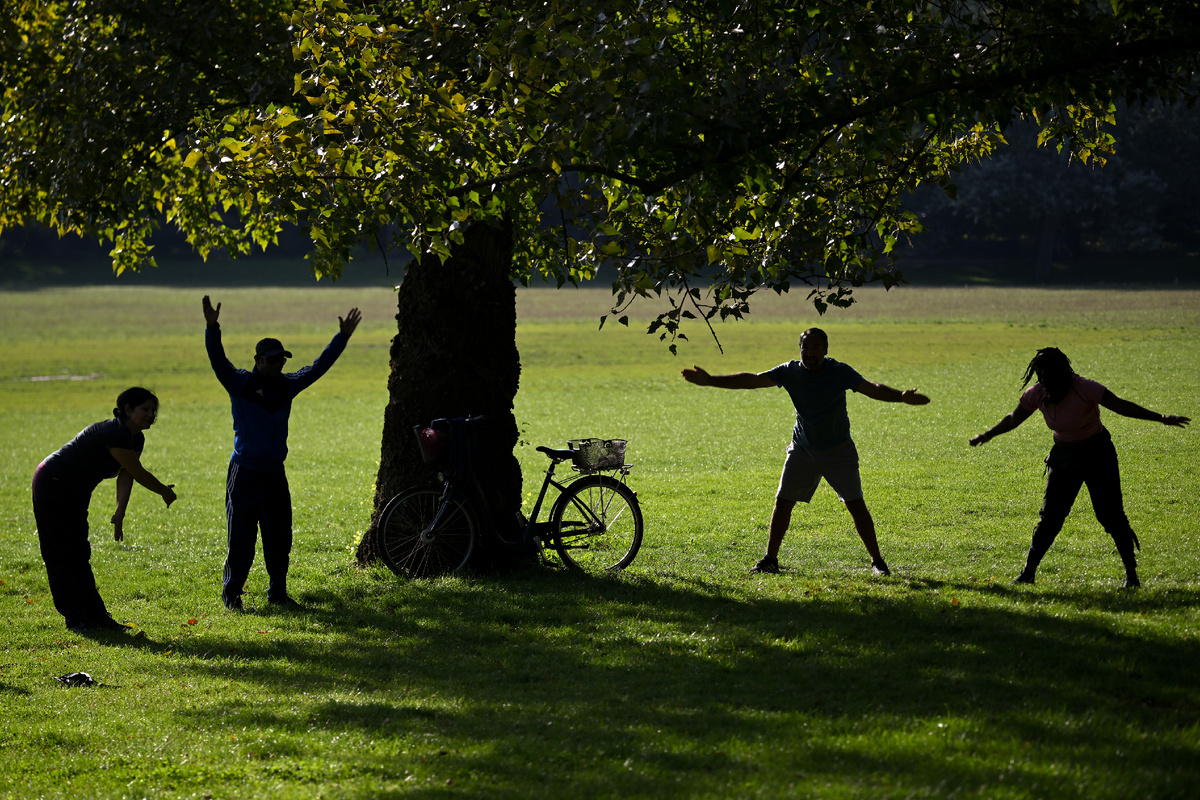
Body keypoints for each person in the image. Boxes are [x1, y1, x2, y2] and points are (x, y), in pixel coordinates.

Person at [681, 327, 930, 575]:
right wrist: (711, 380)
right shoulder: (790, 372)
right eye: (805, 348)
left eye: (815, 348)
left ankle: (878, 562)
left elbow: (872, 388)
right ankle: (770, 560)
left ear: (826, 350)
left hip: (838, 450)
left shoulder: (839, 371)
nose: (810, 353)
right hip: (803, 449)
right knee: (783, 503)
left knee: (856, 504)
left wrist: (901, 397)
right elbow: (753, 380)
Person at [969, 347, 1190, 588]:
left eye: (1050, 374)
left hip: (1098, 454)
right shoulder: (1038, 393)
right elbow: (1014, 418)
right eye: (1041, 375)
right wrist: (988, 434)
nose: (1045, 380)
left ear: (1063, 372)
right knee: (1050, 518)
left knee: (1111, 516)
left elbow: (1120, 406)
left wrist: (1161, 418)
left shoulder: (1084, 388)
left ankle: (1131, 576)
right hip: (1064, 457)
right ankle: (1027, 574)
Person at [203, 295, 362, 611]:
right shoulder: (240, 384)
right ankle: (231, 596)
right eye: (271, 360)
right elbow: (218, 360)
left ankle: (278, 594)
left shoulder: (288, 386)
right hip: (245, 473)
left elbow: (318, 367)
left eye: (281, 361)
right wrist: (212, 327)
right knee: (241, 539)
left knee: (279, 538)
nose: (277, 365)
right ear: (258, 360)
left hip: (275, 474)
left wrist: (342, 337)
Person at [32, 387, 177, 632]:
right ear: (128, 409)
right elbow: (138, 473)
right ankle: (77, 619)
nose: (151, 415)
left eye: (154, 410)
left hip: (76, 490)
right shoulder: (116, 433)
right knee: (61, 555)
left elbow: (127, 475)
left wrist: (120, 513)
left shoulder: (136, 438)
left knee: (79, 553)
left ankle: (97, 617)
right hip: (53, 483)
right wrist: (164, 490)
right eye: (145, 409)